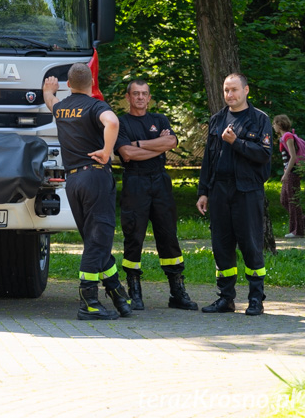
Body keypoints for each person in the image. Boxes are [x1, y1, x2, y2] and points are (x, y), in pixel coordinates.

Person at [43, 64, 132, 320]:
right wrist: (106, 151)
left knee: (95, 240)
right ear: (92, 83)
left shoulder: (61, 108)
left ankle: (117, 295)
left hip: (73, 181)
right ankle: (89, 303)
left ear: (68, 85)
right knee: (98, 240)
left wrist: (49, 90)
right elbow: (112, 122)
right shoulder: (96, 107)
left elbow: (50, 101)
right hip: (95, 177)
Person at [114, 80, 198, 311]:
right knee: (134, 236)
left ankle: (177, 292)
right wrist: (157, 146)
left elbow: (171, 141)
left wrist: (140, 143)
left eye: (144, 94)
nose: (140, 97)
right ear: (128, 97)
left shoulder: (159, 120)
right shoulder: (121, 123)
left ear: (149, 97)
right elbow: (127, 154)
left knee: (168, 235)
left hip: (160, 181)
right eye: (135, 94)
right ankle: (135, 291)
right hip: (135, 182)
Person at [197, 73, 272, 316]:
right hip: (220, 190)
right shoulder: (217, 119)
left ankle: (256, 299)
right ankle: (226, 298)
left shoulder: (259, 119)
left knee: (250, 245)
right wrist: (203, 192)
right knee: (221, 245)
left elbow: (263, 155)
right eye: (226, 90)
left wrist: (236, 142)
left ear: (246, 90)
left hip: (247, 191)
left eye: (234, 90)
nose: (230, 94)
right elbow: (208, 159)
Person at [272, 115, 305, 238]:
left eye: (274, 123)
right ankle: (301, 224)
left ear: (279, 124)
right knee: (284, 200)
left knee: (292, 201)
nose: (273, 126)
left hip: (293, 172)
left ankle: (296, 231)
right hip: (290, 172)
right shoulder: (284, 137)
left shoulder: (287, 136)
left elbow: (293, 157)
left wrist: (286, 174)